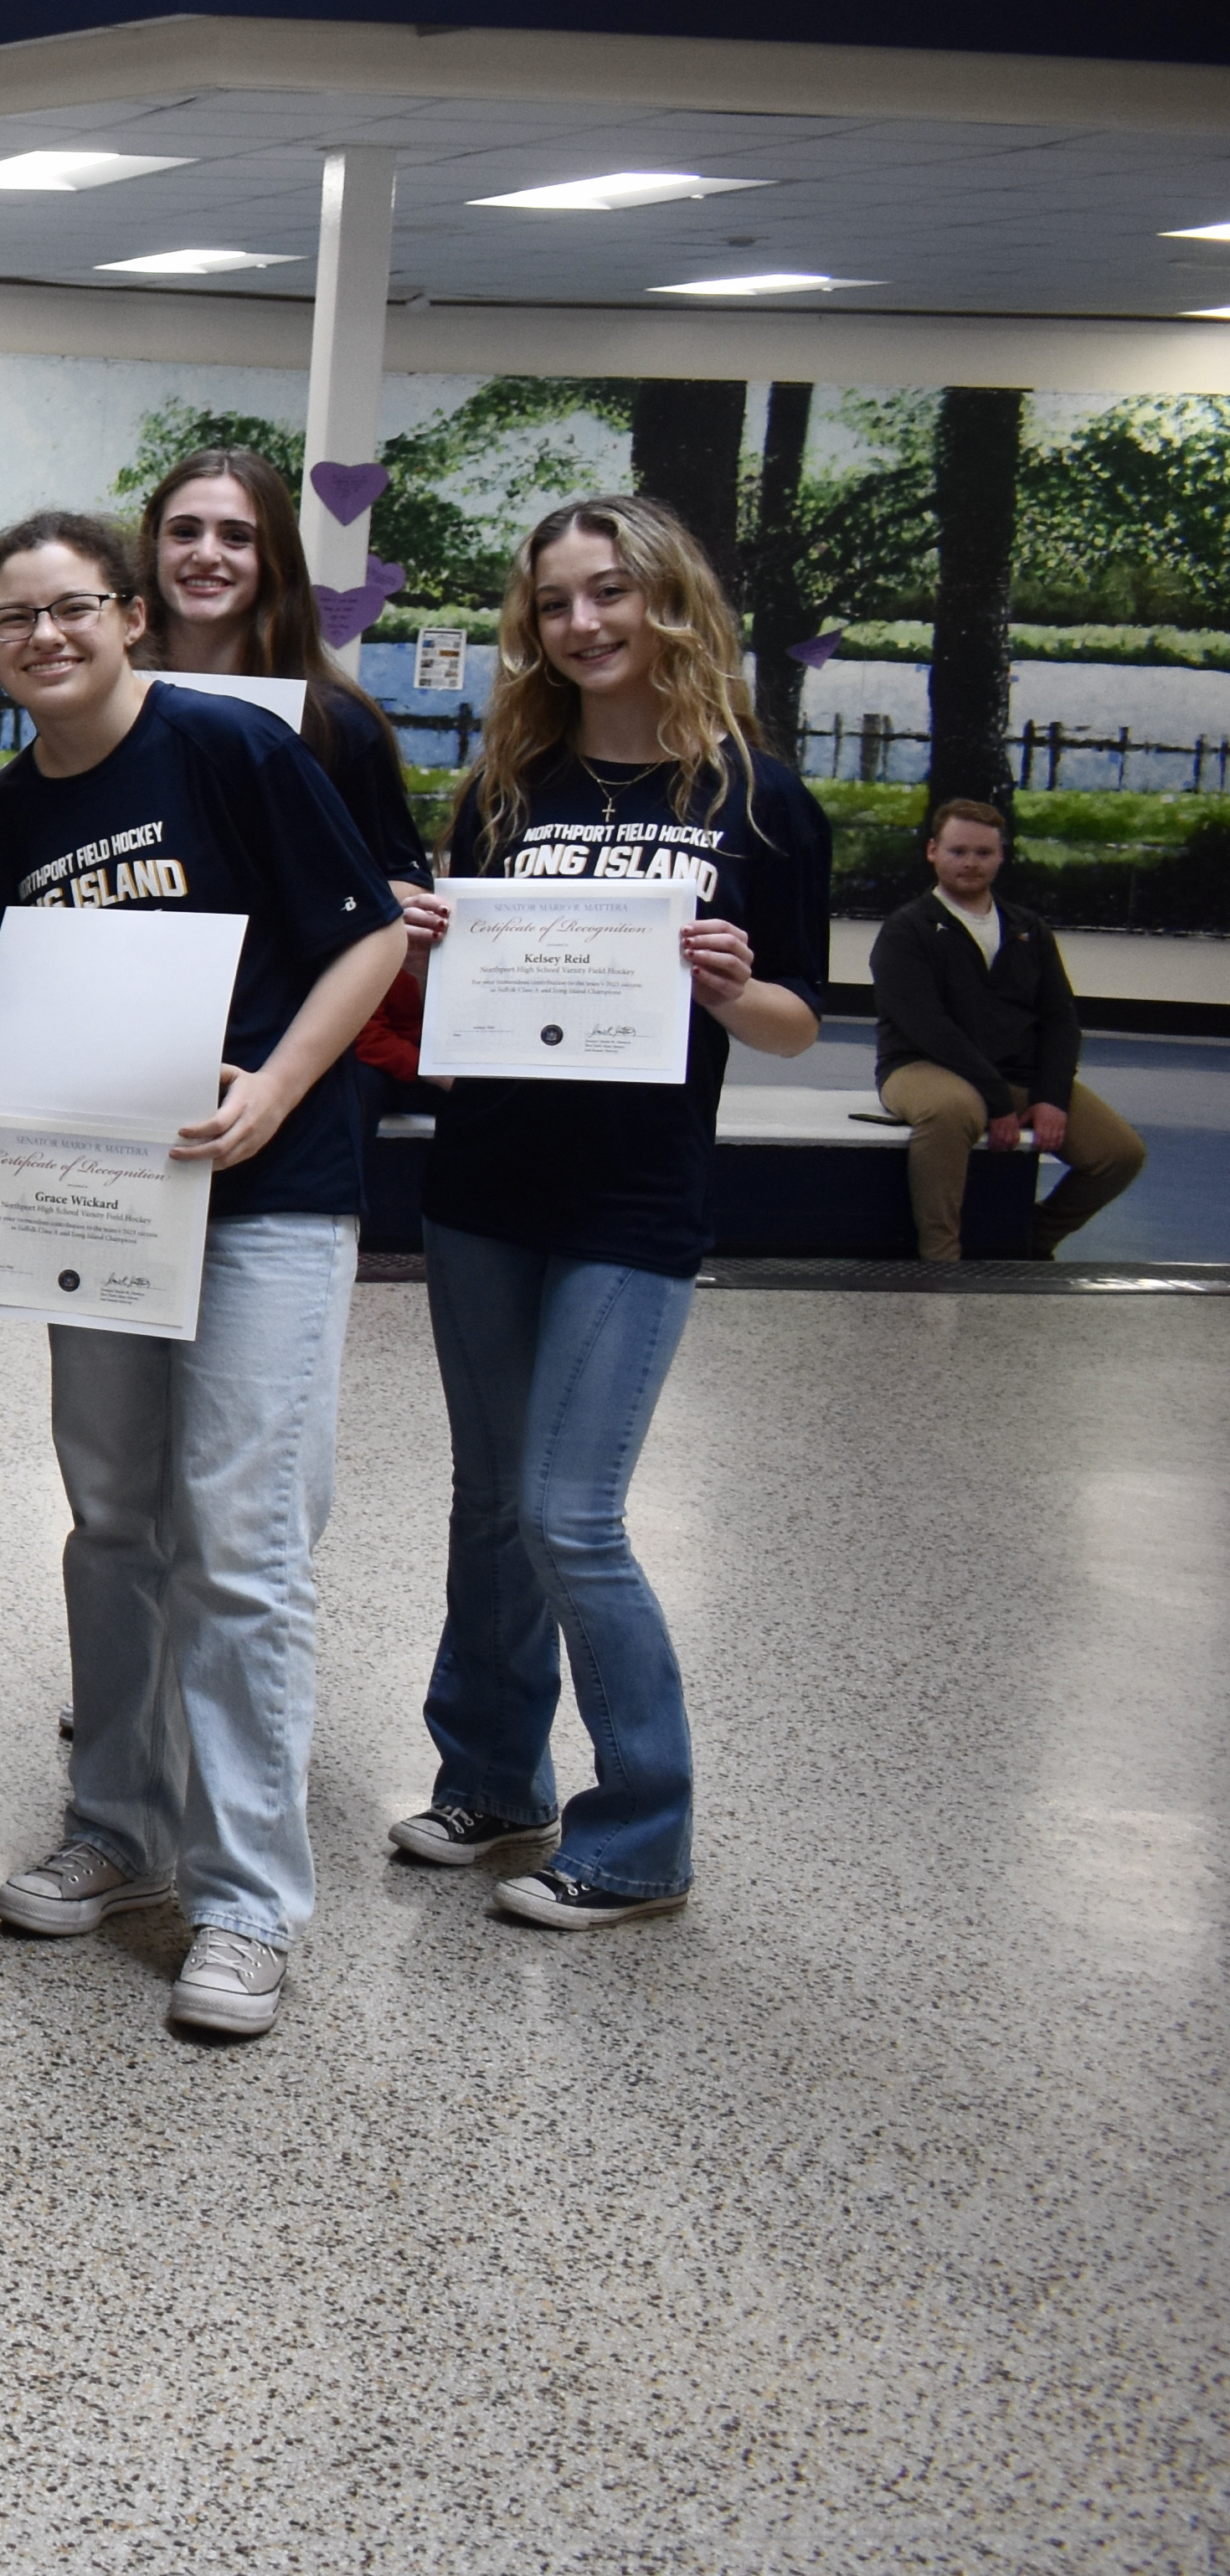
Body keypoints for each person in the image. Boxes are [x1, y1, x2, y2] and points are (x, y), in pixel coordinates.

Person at [0, 512, 405, 2042]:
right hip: (103, 1210)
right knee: (116, 1518)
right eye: (15, 621)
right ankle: (120, 1824)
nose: (46, 638)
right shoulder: (6, 816)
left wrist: (274, 1088)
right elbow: (12, 1020)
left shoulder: (230, 752)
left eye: (72, 609)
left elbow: (372, 940)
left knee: (244, 1536)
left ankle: (249, 1897)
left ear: (128, 618)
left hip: (266, 1196)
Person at [388, 495, 830, 1933]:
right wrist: (431, 949)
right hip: (487, 1184)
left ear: (670, 605)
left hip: (634, 1206)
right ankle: (492, 1778)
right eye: (559, 601)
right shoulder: (505, 789)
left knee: (575, 1517)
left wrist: (724, 983)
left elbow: (793, 1028)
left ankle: (641, 1834)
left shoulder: (759, 801)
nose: (583, 624)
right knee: (492, 1505)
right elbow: (452, 1030)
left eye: (610, 596)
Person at [869, 790, 1142, 1263]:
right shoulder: (906, 930)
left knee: (1120, 1153)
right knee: (953, 1111)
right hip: (921, 1068)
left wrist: (1053, 1097)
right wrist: (997, 1102)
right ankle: (941, 1257)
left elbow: (1060, 1021)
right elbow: (928, 1027)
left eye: (983, 853)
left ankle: (1027, 1239)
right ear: (933, 852)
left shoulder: (1028, 928)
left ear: (1001, 857)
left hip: (1017, 1073)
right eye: (958, 851)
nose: (970, 863)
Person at [139, 451, 427, 891]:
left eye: (236, 537)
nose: (206, 553)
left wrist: (397, 915)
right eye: (184, 532)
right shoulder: (104, 707)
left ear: (276, 558)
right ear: (152, 547)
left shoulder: (338, 724)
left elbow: (401, 878)